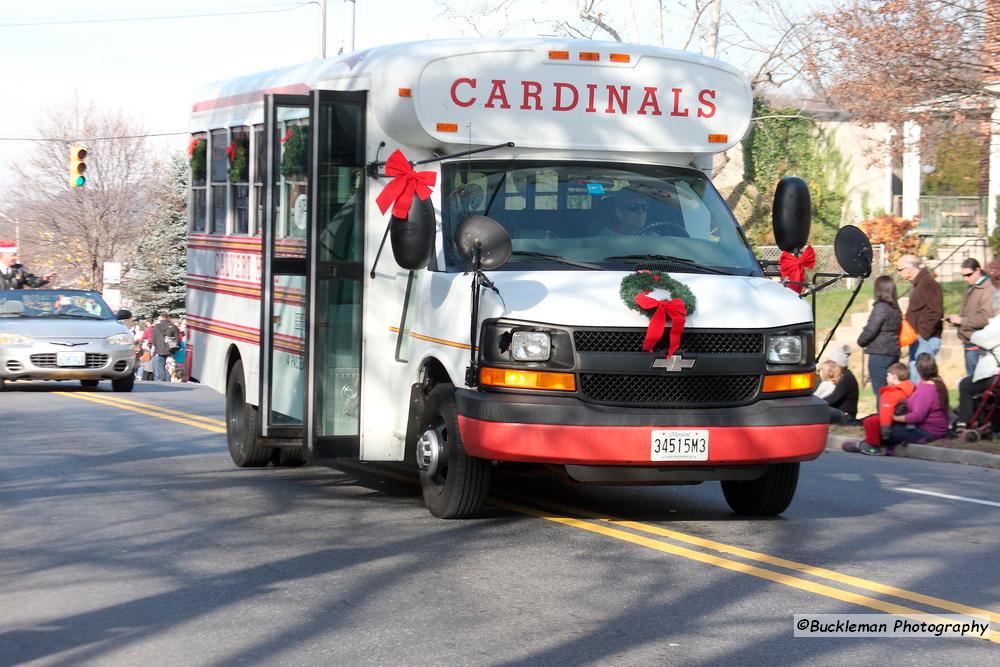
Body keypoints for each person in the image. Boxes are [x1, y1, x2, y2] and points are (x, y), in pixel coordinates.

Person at [844, 362, 915, 454]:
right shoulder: (911, 389)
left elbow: (886, 414)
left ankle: (872, 445)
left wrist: (885, 433)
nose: (886, 378)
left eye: (888, 376)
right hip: (908, 422)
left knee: (870, 421)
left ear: (894, 377)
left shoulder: (891, 393)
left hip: (894, 423)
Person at [896, 254, 943, 384]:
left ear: (909, 268)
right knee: (916, 378)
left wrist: (922, 333)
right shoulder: (919, 284)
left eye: (900, 270)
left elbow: (936, 312)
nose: (898, 273)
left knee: (922, 380)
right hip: (918, 339)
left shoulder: (928, 283)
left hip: (926, 339)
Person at [955, 291, 1000, 428]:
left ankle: (967, 421)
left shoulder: (997, 324)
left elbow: (978, 338)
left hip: (995, 373)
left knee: (965, 385)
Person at [946, 257, 996, 376]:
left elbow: (986, 318)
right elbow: (971, 313)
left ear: (978, 270)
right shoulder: (972, 287)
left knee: (978, 386)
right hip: (969, 341)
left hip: (978, 345)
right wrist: (957, 320)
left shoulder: (988, 289)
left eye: (968, 275)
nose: (965, 278)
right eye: (963, 275)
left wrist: (961, 320)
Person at [856, 275, 901, 400]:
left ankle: (884, 418)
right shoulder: (895, 308)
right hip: (893, 351)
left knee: (881, 392)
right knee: (891, 390)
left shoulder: (881, 307)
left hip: (880, 353)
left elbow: (872, 328)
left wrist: (861, 341)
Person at [817, 345, 859, 424]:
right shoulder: (843, 375)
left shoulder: (846, 378)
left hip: (846, 415)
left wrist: (816, 405)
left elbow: (833, 399)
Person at [151, 311, 180, 382]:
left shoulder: (156, 327)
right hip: (170, 350)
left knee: (160, 368)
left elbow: (153, 339)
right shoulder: (173, 326)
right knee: (170, 367)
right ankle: (168, 380)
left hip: (159, 350)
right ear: (168, 317)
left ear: (160, 317)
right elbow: (177, 339)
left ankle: (162, 380)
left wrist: (157, 347)